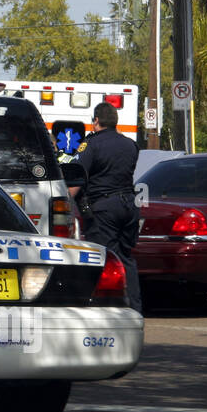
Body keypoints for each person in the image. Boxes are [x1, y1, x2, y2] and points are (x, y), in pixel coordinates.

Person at [68, 101, 142, 313]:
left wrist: (64, 201)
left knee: (102, 257)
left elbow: (76, 179)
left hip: (104, 208)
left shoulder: (90, 145)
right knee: (126, 258)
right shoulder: (130, 145)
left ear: (96, 121)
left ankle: (105, 308)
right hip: (129, 205)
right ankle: (134, 308)